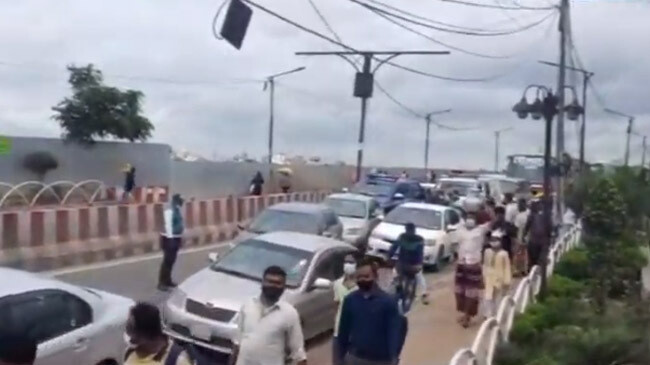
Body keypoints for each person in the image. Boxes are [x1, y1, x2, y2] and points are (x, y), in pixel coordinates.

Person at [230, 266, 307, 365]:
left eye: (278, 283)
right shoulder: (248, 305)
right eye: (269, 281)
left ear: (284, 287)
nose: (273, 286)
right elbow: (237, 342)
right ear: (262, 282)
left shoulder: (289, 313)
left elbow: (299, 354)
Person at [338, 257, 402, 365]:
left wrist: (394, 358)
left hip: (380, 360)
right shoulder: (350, 300)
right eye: (359, 277)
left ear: (375, 277)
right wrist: (341, 357)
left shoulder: (388, 302)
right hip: (355, 358)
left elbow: (393, 332)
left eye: (366, 276)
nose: (362, 280)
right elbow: (343, 331)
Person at [449, 211, 491, 328]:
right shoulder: (460, 230)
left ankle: (468, 316)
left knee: (471, 293)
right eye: (468, 217)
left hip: (474, 264)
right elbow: (454, 243)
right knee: (460, 292)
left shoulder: (481, 230)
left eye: (472, 218)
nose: (470, 220)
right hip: (461, 263)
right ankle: (464, 314)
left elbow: (493, 222)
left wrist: (486, 208)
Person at [124, 303, 193, 365]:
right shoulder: (130, 352)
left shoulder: (178, 360)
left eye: (132, 332)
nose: (129, 337)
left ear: (146, 336)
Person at [388, 223, 429, 306]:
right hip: (415, 266)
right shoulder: (419, 239)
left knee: (395, 275)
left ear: (405, 229)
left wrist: (390, 257)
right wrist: (420, 264)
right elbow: (420, 253)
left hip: (402, 264)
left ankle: (393, 289)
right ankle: (424, 295)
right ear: (414, 230)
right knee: (420, 277)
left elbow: (393, 248)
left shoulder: (402, 237)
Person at [332, 256, 358, 365]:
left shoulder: (360, 286)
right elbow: (336, 304)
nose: (348, 265)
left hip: (355, 332)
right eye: (346, 262)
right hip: (339, 331)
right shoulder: (337, 284)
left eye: (351, 262)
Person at [482, 230, 512, 318]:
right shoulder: (487, 251)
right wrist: (482, 276)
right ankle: (488, 314)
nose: (494, 242)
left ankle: (498, 314)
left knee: (498, 297)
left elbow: (507, 268)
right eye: (492, 240)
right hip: (488, 277)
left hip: (499, 278)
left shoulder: (504, 254)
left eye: (496, 240)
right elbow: (485, 264)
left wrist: (507, 280)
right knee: (488, 296)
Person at [158, 193, 184, 291]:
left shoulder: (177, 209)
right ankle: (161, 282)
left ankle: (168, 280)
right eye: (181, 200)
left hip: (176, 238)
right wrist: (171, 239)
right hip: (169, 238)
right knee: (167, 261)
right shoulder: (169, 210)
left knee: (171, 261)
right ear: (176, 200)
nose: (182, 202)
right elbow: (168, 225)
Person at [524, 200, 549, 271]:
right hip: (535, 241)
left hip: (539, 242)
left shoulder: (544, 216)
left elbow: (549, 228)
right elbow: (527, 227)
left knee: (538, 260)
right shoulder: (532, 216)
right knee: (534, 260)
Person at [513, 198, 530, 275]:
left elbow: (516, 227)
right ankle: (522, 269)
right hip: (524, 236)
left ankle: (523, 270)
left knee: (523, 254)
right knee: (522, 254)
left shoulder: (525, 214)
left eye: (520, 205)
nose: (519, 206)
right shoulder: (527, 213)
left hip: (523, 236)